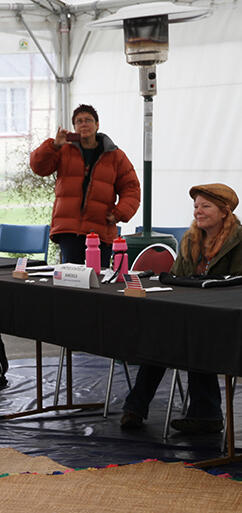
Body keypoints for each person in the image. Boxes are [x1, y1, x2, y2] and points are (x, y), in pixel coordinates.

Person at [121, 183, 242, 434]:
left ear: (224, 211)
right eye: (196, 206)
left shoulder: (239, 241)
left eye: (205, 206)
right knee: (164, 335)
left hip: (227, 320)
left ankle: (205, 413)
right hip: (194, 315)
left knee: (193, 336)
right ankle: (137, 407)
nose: (198, 211)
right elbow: (177, 277)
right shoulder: (190, 240)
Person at [30, 104, 141, 265]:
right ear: (74, 127)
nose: (83, 124)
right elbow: (38, 167)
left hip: (100, 230)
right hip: (68, 230)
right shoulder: (63, 149)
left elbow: (131, 189)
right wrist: (53, 145)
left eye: (88, 120)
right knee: (71, 280)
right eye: (79, 121)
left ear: (97, 125)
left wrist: (119, 213)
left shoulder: (115, 155)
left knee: (98, 280)